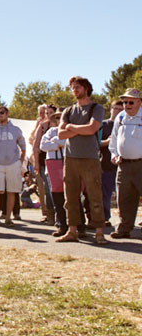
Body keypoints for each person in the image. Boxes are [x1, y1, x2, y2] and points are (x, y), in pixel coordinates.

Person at [57, 76, 106, 245]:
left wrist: (71, 127)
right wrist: (79, 129)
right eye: (72, 87)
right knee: (70, 196)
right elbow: (60, 134)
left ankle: (99, 232)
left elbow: (92, 128)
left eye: (78, 87)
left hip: (90, 158)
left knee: (94, 195)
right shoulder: (68, 111)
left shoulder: (96, 108)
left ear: (86, 88)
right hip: (71, 158)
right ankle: (72, 231)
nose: (75, 90)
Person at [0, 106, 25, 227]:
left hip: (13, 164)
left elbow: (23, 147)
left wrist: (20, 163)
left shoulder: (16, 130)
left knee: (11, 191)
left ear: (7, 113)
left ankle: (8, 218)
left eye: (1, 113)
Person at [109, 88, 142, 239]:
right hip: (124, 165)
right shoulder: (121, 117)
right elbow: (114, 140)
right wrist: (114, 154)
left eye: (130, 102)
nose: (127, 105)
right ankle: (124, 228)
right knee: (124, 198)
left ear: (139, 103)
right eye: (124, 102)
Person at [40, 110, 69, 236]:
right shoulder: (50, 131)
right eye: (57, 118)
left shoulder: (70, 130)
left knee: (72, 196)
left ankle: (77, 224)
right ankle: (61, 224)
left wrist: (56, 141)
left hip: (68, 164)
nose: (59, 120)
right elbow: (43, 145)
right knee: (57, 196)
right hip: (53, 165)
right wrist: (57, 143)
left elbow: (67, 143)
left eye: (61, 117)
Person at [100, 100, 123, 227]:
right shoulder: (103, 124)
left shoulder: (125, 125)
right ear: (111, 109)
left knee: (124, 195)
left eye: (121, 109)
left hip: (123, 164)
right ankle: (105, 217)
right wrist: (107, 142)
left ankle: (124, 220)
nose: (118, 111)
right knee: (105, 193)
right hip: (106, 164)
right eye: (116, 108)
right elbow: (94, 143)